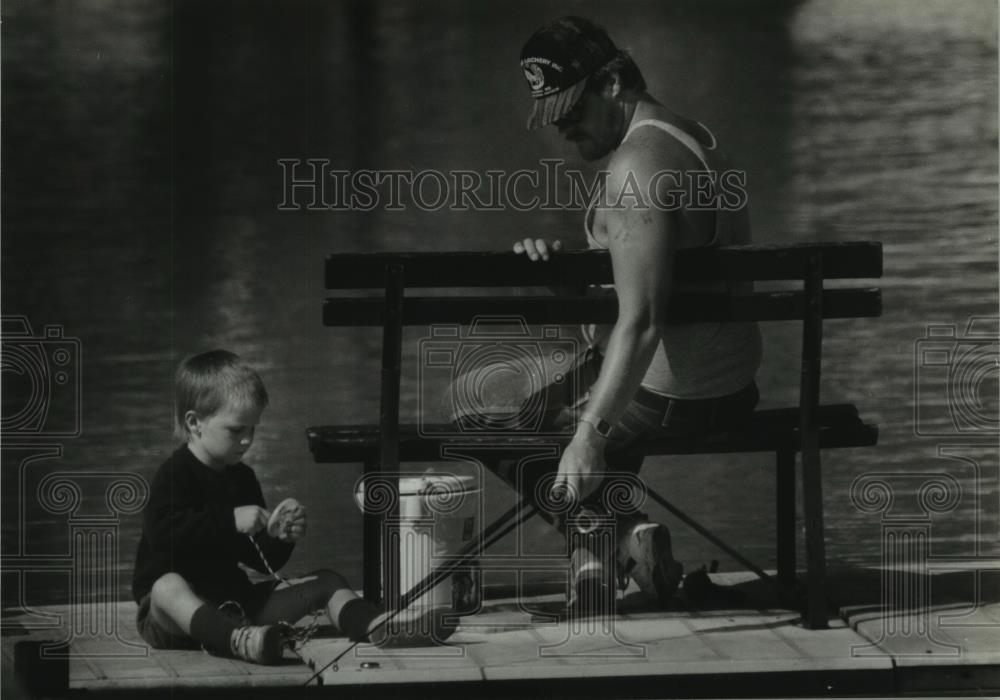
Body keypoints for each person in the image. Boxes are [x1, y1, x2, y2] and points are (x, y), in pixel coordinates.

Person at [511, 17, 763, 610]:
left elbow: (644, 321)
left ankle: (619, 538)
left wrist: (590, 435)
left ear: (616, 82)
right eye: (554, 114)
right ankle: (601, 561)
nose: (564, 128)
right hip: (733, 383)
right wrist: (566, 278)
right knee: (550, 407)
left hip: (674, 394)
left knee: (509, 429)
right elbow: (649, 291)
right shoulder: (692, 134)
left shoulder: (634, 168)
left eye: (573, 108)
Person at [132, 350, 452, 664]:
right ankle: (238, 641)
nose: (247, 441)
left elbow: (260, 560)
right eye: (236, 430)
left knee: (327, 580)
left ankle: (377, 627)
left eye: (253, 429)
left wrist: (280, 537)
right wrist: (229, 520)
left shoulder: (241, 477)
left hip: (234, 604)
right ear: (194, 423)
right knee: (167, 586)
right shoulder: (175, 474)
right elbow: (163, 536)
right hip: (171, 618)